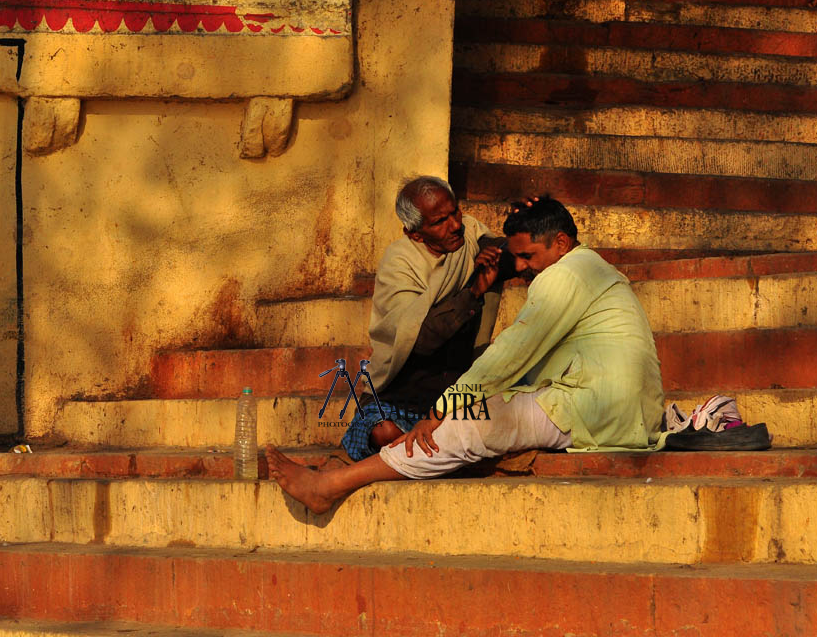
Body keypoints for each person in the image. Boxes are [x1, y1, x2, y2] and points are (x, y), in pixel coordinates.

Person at [271, 196, 665, 514]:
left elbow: (510, 354)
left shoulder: (565, 274)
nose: (522, 268)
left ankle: (329, 485)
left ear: (560, 243)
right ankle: (370, 461)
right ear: (414, 232)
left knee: (468, 422)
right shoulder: (579, 266)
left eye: (528, 257)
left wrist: (443, 409)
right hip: (606, 406)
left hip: (597, 408)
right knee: (471, 412)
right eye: (519, 258)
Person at [340, 175, 513, 461]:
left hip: (457, 393)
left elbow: (507, 253)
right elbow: (420, 338)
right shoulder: (399, 261)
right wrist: (473, 291)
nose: (455, 225)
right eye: (439, 222)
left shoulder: (470, 234)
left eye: (454, 212)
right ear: (415, 233)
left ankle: (430, 449)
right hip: (402, 394)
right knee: (384, 433)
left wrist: (524, 229)